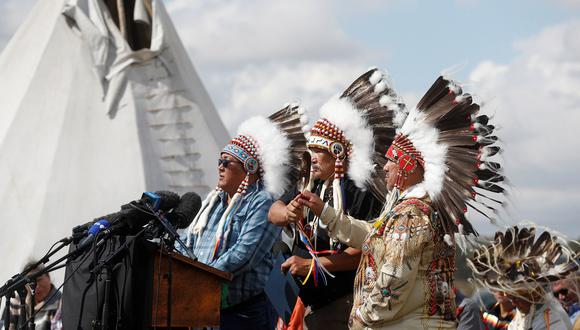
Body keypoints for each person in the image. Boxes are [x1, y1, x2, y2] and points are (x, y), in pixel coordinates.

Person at [295, 76, 506, 329]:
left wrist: (361, 319)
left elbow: (393, 282)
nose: (384, 168)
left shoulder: (412, 216)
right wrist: (327, 214)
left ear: (407, 166)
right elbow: (374, 236)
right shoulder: (411, 209)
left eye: (391, 161)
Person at [269, 68, 406, 329]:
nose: (313, 158)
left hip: (342, 301)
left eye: (319, 151)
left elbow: (364, 249)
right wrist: (286, 213)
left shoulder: (360, 191)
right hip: (299, 299)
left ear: (338, 154)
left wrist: (312, 265)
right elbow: (273, 210)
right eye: (311, 151)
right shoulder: (308, 183)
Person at [179, 105, 306, 329]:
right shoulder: (212, 202)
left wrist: (202, 277)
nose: (220, 166)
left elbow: (245, 254)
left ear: (249, 167)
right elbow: (187, 242)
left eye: (227, 162)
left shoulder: (262, 202)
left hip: (244, 315)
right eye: (219, 161)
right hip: (205, 306)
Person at [468, 226, 576, 330]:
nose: (513, 303)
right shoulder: (521, 318)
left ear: (534, 296)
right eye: (511, 297)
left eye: (517, 298)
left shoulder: (552, 320)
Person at [1, 260, 62, 330]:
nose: (36, 286)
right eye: (30, 283)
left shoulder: (61, 304)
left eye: (39, 280)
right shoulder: (16, 301)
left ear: (48, 277)